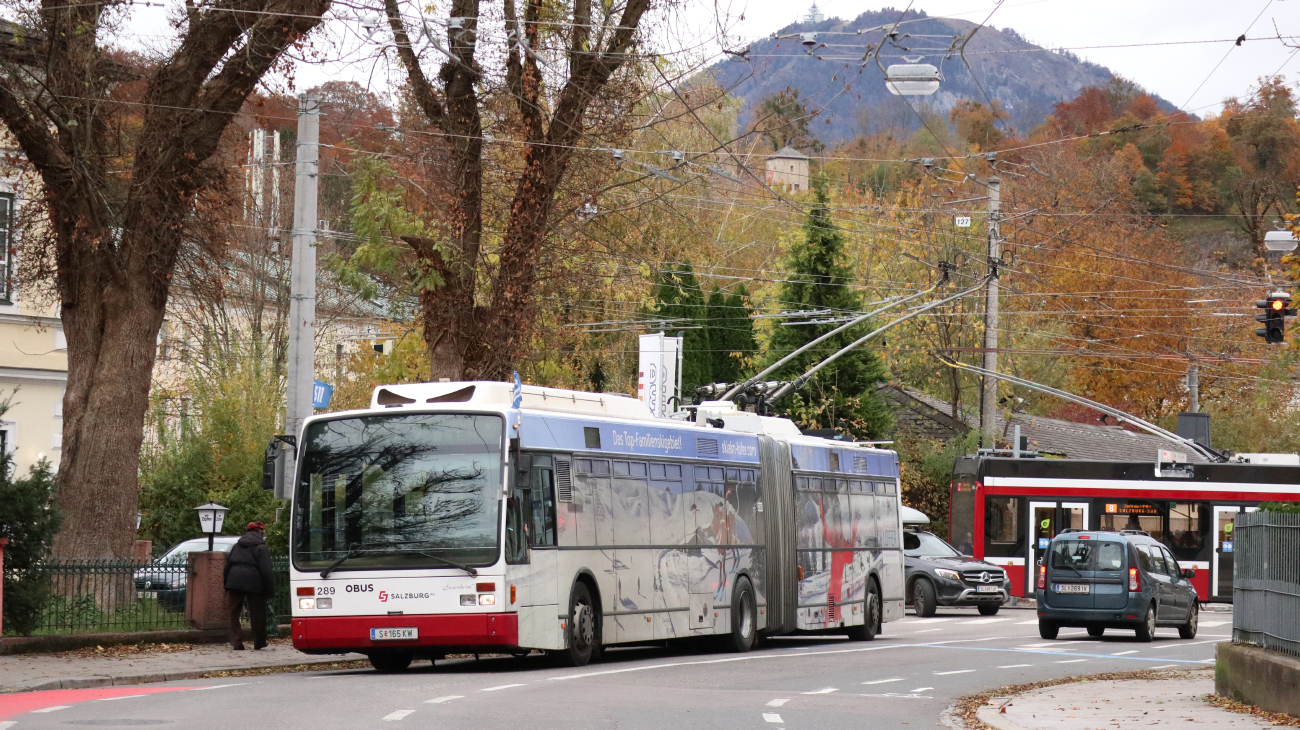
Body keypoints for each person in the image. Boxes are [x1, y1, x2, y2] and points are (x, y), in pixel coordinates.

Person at [224, 521, 275, 650]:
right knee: (258, 613)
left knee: (234, 612)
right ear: (261, 532)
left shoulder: (237, 545)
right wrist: (269, 590)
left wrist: (226, 584)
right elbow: (266, 570)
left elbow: (227, 565)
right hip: (255, 582)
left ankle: (236, 641)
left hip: (234, 580)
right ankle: (259, 642)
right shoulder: (261, 547)